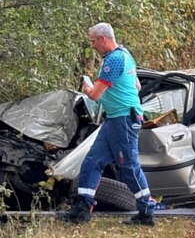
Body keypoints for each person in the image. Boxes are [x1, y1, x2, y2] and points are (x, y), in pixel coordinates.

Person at [63, 23, 156, 226]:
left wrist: (87, 87)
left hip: (124, 120)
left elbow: (95, 95)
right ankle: (82, 208)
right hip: (115, 119)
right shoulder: (125, 55)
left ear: (103, 38)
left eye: (93, 41)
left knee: (128, 166)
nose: (92, 46)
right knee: (92, 161)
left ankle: (147, 211)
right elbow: (136, 85)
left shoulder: (113, 60)